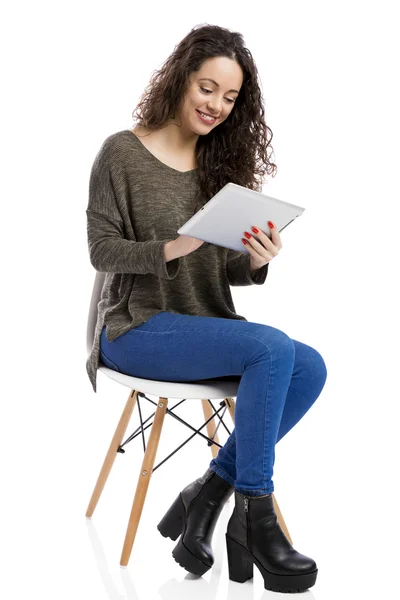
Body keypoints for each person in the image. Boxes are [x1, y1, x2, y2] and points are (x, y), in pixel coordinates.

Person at [86, 24, 327, 593]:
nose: (217, 105)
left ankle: (209, 492)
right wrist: (173, 246)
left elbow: (221, 271)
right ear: (179, 79)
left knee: (310, 365)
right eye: (207, 88)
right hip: (136, 327)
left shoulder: (223, 167)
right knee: (271, 346)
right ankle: (256, 519)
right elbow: (100, 250)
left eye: (230, 97)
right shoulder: (121, 152)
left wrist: (257, 260)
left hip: (200, 326)